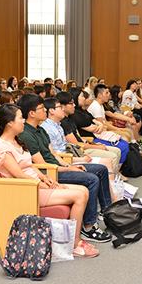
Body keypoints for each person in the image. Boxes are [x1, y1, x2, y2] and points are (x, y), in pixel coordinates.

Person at [0, 103, 99, 258]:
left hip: (36, 184)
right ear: (9, 123)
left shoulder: (16, 140)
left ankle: (75, 239)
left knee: (84, 190)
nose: (23, 121)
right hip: (25, 190)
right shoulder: (2, 148)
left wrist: (44, 177)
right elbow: (20, 176)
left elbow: (29, 165)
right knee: (80, 195)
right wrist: (44, 185)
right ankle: (75, 244)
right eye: (20, 118)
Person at [17, 94, 112, 243]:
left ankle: (107, 211)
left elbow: (53, 154)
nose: (45, 111)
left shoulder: (40, 129)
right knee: (92, 180)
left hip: (57, 167)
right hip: (49, 173)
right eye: (42, 108)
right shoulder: (27, 134)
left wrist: (69, 166)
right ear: (31, 113)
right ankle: (88, 226)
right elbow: (42, 165)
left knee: (101, 169)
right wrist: (68, 170)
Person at [41, 97, 118, 200]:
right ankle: (110, 199)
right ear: (52, 111)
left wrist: (80, 154)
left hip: (69, 157)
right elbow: (55, 154)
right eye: (60, 107)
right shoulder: (47, 129)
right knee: (102, 168)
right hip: (64, 162)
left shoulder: (58, 125)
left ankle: (112, 197)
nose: (62, 109)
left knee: (105, 165)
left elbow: (67, 147)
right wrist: (78, 160)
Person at [56, 91, 124, 177]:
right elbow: (75, 144)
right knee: (112, 156)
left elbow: (79, 138)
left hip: (83, 146)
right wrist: (96, 147)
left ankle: (114, 177)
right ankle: (112, 181)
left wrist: (94, 144)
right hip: (78, 150)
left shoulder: (70, 119)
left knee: (117, 150)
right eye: (71, 103)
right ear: (62, 106)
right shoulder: (63, 122)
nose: (74, 105)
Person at [67, 87, 130, 163]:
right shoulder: (75, 114)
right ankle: (119, 169)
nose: (84, 98)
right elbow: (93, 128)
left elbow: (95, 121)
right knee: (122, 146)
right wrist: (99, 126)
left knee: (124, 142)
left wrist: (99, 126)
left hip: (96, 135)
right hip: (92, 137)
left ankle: (121, 168)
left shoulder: (82, 110)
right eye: (82, 96)